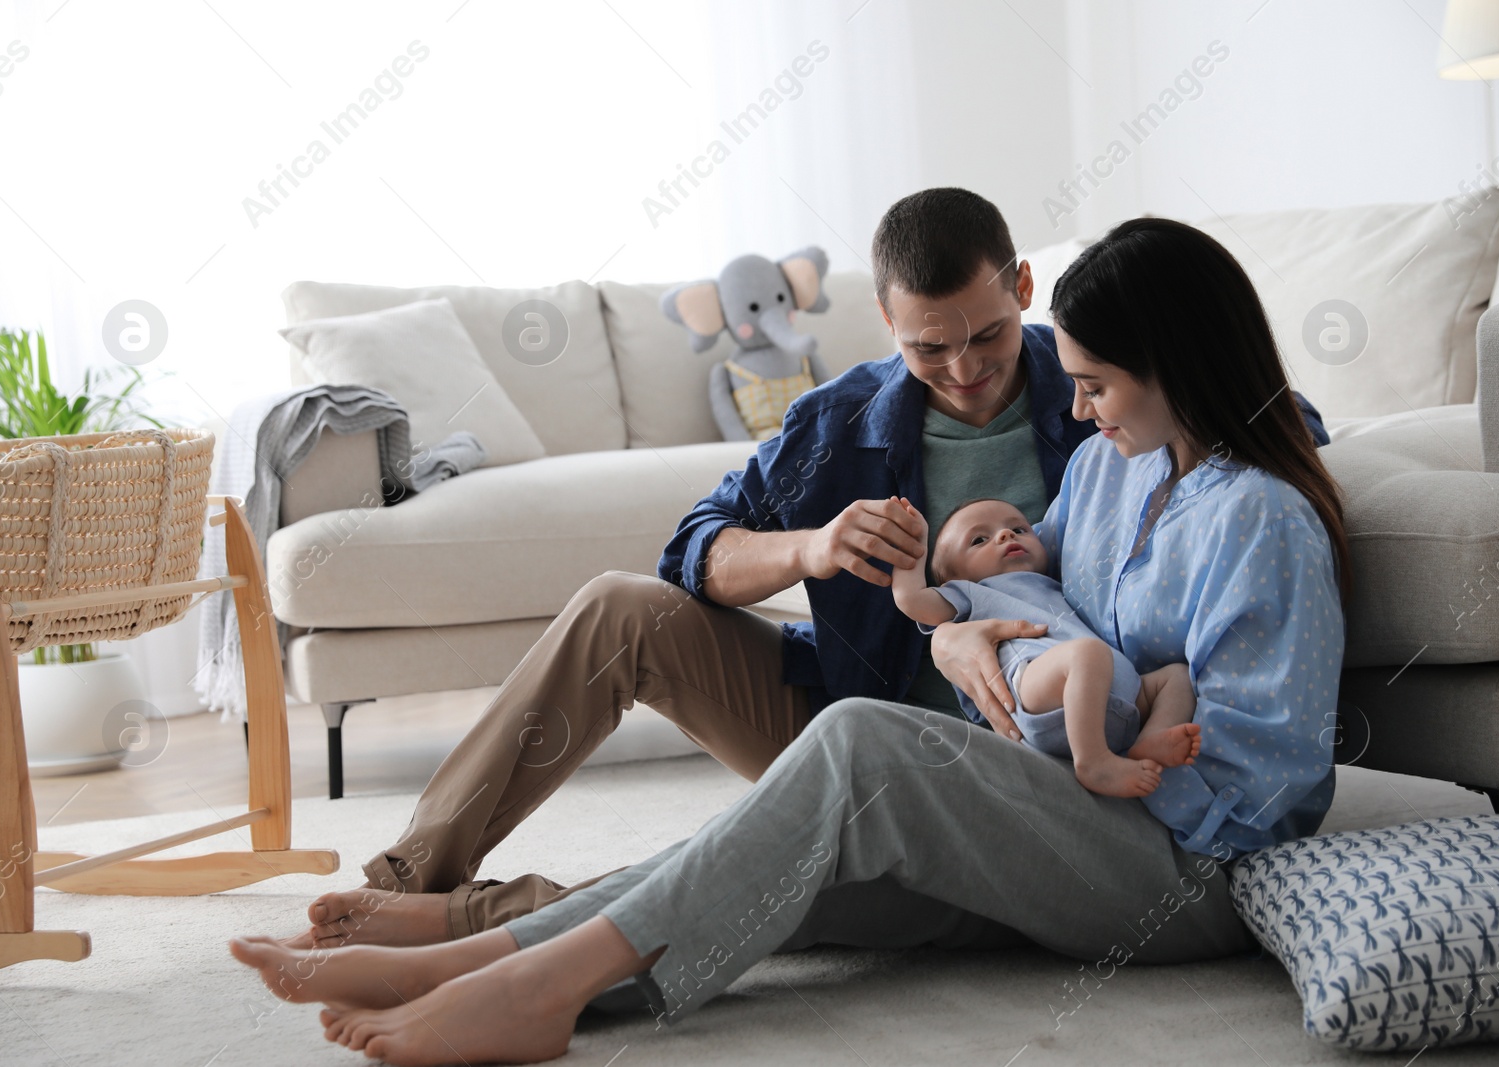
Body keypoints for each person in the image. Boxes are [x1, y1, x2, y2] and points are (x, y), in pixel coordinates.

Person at [233, 216, 1350, 1065]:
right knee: (780, 874)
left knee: (862, 749)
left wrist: (1111, 742)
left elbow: (1266, 790)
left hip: (1176, 869)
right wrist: (942, 605)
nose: (1079, 406)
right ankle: (482, 954)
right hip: (1025, 772)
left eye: (1097, 382)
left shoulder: (1257, 518)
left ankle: (531, 990)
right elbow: (1027, 562)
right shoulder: (1110, 460)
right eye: (1081, 380)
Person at [889, 495, 1200, 797]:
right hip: (1034, 685)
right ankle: (1094, 763)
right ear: (950, 579)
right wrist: (913, 546)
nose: (1005, 534)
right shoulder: (970, 592)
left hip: (1116, 691)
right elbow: (912, 601)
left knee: (1176, 677)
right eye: (979, 540)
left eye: (1020, 529)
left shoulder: (1059, 583)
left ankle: (1150, 738)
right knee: (1087, 654)